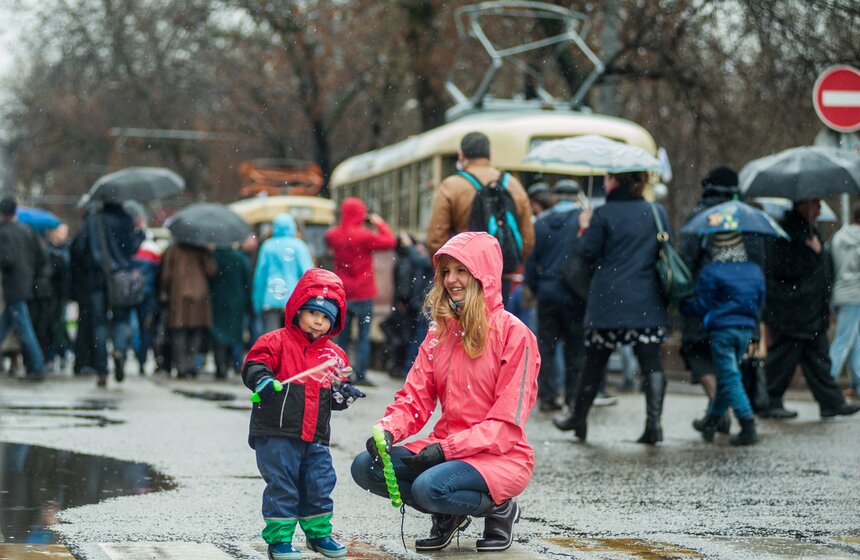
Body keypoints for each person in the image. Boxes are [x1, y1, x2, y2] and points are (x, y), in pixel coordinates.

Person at [351, 232, 540, 553]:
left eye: (462, 271)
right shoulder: (440, 334)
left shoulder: (515, 334)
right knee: (365, 467)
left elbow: (505, 426)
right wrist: (388, 431)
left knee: (429, 487)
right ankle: (449, 515)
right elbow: (414, 399)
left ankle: (499, 508)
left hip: (499, 456)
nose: (452, 280)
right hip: (448, 449)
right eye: (447, 272)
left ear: (483, 275)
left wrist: (445, 451)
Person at [242, 268, 364, 560]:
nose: (318, 320)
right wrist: (262, 380)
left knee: (319, 481)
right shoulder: (275, 342)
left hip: (316, 434)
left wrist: (344, 393)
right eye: (312, 312)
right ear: (297, 310)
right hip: (277, 432)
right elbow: (253, 366)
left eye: (326, 316)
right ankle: (280, 539)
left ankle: (318, 533)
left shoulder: (334, 355)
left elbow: (334, 396)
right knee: (283, 484)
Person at [553, 171, 671, 444]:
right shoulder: (655, 211)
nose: (604, 183)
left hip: (609, 301)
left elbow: (588, 253)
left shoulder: (603, 213)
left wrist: (584, 228)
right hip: (645, 299)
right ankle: (654, 425)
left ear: (615, 182)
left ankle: (578, 419)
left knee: (594, 363)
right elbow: (664, 248)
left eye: (607, 179)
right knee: (651, 363)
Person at [678, 167, 765, 433]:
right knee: (730, 371)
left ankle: (744, 421)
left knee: (713, 364)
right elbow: (761, 279)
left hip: (712, 312)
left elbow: (685, 262)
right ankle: (715, 417)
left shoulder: (703, 220)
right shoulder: (748, 220)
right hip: (744, 314)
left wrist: (685, 303)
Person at [762, 198, 860, 419]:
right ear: (803, 205)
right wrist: (813, 254)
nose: (819, 210)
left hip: (809, 309)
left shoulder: (809, 230)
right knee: (784, 357)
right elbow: (784, 268)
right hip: (792, 309)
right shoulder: (785, 232)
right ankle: (769, 400)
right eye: (815, 205)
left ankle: (830, 401)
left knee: (817, 358)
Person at [425, 131, 534, 305]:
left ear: (461, 156)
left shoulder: (451, 186)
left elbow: (435, 238)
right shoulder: (513, 184)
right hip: (500, 277)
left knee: (464, 328)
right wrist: (505, 264)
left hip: (463, 276)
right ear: (489, 154)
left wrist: (449, 271)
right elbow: (527, 237)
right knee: (496, 324)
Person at [681, 232, 765, 445]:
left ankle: (748, 425)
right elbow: (761, 300)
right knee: (729, 375)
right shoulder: (754, 270)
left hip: (722, 331)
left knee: (729, 378)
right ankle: (711, 421)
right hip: (746, 329)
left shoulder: (712, 271)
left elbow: (702, 304)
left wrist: (684, 305)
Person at [524, 179, 585, 412]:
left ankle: (548, 397)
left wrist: (536, 287)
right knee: (575, 348)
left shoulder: (541, 223)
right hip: (575, 294)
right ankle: (572, 397)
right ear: (576, 196)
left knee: (546, 347)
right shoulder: (582, 220)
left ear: (555, 197)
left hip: (548, 293)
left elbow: (531, 261)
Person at [71, 200, 144, 386]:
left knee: (99, 324)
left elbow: (79, 248)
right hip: (121, 277)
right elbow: (134, 248)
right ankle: (119, 349)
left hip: (97, 277)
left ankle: (102, 369)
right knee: (122, 319)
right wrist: (139, 232)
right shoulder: (126, 219)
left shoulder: (93, 220)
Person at [325, 197, 396, 386]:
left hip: (343, 292)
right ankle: (361, 374)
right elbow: (390, 241)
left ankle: (340, 373)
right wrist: (380, 224)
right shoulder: (364, 236)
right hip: (364, 293)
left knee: (343, 336)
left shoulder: (333, 235)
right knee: (363, 336)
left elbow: (330, 241)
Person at [0, 196, 47, 380]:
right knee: (5, 325)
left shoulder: (4, 233)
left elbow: (8, 259)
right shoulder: (27, 230)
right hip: (26, 284)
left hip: (14, 286)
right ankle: (37, 365)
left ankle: (38, 366)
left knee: (25, 329)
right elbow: (41, 257)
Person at [159, 242, 217, 379]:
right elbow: (212, 270)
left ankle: (181, 366)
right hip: (199, 296)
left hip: (178, 295)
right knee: (195, 332)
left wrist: (165, 290)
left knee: (179, 332)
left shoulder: (173, 249)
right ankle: (190, 365)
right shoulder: (201, 249)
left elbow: (166, 275)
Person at [253, 213, 315, 334]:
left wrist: (257, 301)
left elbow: (260, 276)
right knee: (294, 338)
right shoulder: (299, 245)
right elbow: (308, 275)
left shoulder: (267, 246)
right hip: (295, 299)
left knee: (271, 338)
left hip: (270, 300)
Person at [828, 201, 860, 398]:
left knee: (855, 341)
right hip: (856, 295)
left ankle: (857, 383)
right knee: (843, 341)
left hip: (840, 293)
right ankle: (828, 382)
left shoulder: (839, 236)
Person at [210, 244, 252, 378]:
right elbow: (247, 281)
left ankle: (220, 367)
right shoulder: (240, 258)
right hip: (236, 301)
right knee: (234, 334)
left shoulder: (213, 257)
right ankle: (232, 364)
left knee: (218, 334)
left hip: (217, 300)